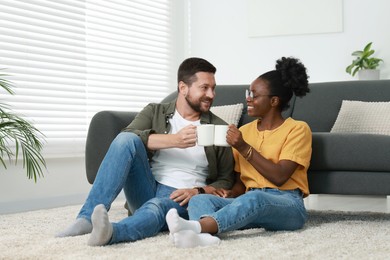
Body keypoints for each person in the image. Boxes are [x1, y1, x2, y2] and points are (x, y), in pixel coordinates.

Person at [56, 57, 235, 246]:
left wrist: (198, 191)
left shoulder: (218, 127)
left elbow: (226, 179)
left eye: (213, 88)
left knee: (157, 206)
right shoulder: (155, 111)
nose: (211, 94)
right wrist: (175, 140)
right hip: (146, 187)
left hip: (182, 196)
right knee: (126, 139)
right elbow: (126, 138)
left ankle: (112, 233)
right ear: (183, 88)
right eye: (204, 87)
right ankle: (86, 219)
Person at [166, 56, 312, 248]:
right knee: (200, 200)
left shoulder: (297, 129)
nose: (248, 99)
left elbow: (280, 177)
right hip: (249, 202)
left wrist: (243, 147)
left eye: (254, 95)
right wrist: (227, 193)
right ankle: (205, 238)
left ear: (274, 101)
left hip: (287, 204)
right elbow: (240, 183)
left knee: (255, 198)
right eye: (248, 92)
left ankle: (196, 227)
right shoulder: (244, 132)